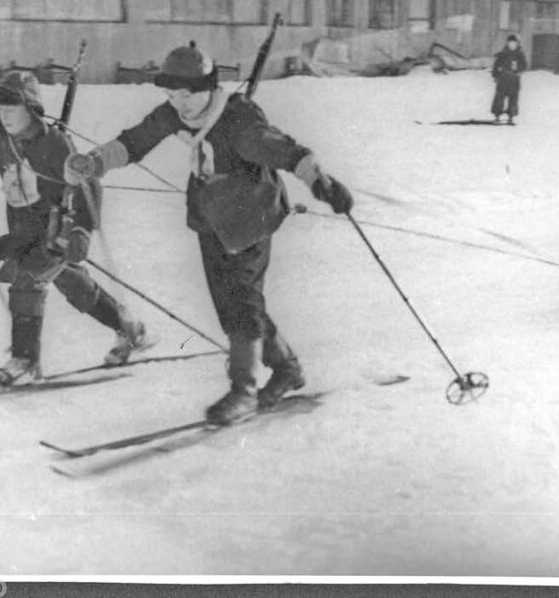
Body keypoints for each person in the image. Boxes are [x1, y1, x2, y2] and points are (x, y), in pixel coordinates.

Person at [61, 42, 354, 425]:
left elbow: (286, 152)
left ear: (208, 88)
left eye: (187, 94)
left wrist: (322, 183)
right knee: (230, 305)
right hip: (210, 216)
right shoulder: (175, 114)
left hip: (251, 215)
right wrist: (95, 161)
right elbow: (135, 141)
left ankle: (243, 392)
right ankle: (286, 369)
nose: (179, 103)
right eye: (171, 94)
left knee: (243, 304)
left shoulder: (239, 121)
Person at [0, 70, 152, 387]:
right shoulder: (0, 142)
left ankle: (25, 358)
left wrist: (81, 230)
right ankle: (128, 326)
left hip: (56, 230)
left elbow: (88, 184)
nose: (4, 117)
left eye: (11, 110)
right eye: (0, 110)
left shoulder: (55, 144)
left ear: (30, 108)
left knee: (28, 278)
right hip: (22, 230)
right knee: (71, 283)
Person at [491, 34, 527, 124]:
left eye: (514, 43)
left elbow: (524, 65)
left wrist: (518, 70)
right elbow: (496, 65)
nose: (512, 45)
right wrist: (495, 75)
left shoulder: (520, 55)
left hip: (514, 80)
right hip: (503, 79)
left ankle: (511, 117)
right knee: (499, 98)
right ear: (507, 43)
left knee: (513, 99)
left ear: (517, 44)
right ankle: (497, 116)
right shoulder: (503, 54)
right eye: (510, 43)